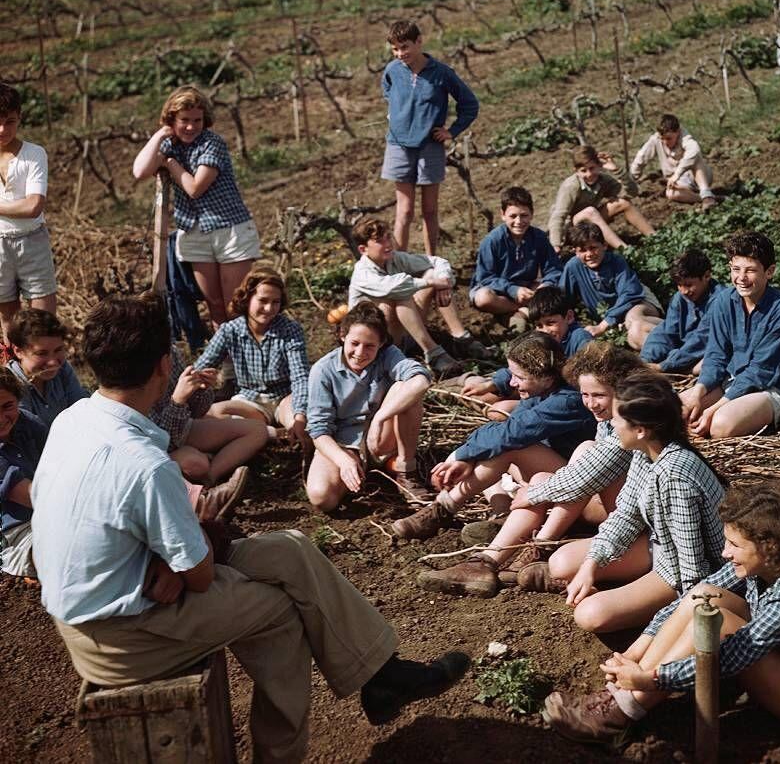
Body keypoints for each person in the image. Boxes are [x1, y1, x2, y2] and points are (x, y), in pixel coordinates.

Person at [30, 293, 469, 763]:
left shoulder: (72, 420)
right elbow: (198, 575)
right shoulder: (144, 464)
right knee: (281, 613)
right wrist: (180, 553)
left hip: (98, 599)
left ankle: (384, 674)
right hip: (120, 635)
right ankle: (282, 754)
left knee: (290, 548)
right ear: (164, 366)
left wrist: (166, 552)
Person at [543, 484, 780, 744]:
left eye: (734, 545)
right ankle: (623, 698)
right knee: (704, 597)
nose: (725, 552)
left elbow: (731, 656)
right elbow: (695, 594)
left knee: (719, 623)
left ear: (768, 547)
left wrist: (655, 678)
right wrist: (637, 650)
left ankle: (620, 714)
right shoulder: (769, 564)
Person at [418, 343, 642, 597]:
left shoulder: (631, 424)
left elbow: (587, 475)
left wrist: (535, 494)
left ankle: (539, 545)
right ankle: (486, 561)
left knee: (580, 453)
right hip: (602, 500)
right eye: (585, 395)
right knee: (542, 477)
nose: (590, 404)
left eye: (598, 395)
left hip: (626, 517)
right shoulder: (607, 419)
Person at [545, 372, 725, 635]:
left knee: (590, 615)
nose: (613, 425)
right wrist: (590, 566)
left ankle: (642, 602)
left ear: (640, 430)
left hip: (682, 570)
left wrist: (665, 625)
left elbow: (693, 569)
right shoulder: (646, 453)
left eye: (618, 419)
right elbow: (625, 515)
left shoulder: (675, 478)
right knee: (561, 565)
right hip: (660, 547)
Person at [391, 332, 596, 542]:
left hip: (580, 491)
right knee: (492, 449)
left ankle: (443, 510)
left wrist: (459, 455)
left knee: (509, 447)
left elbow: (512, 433)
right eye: (512, 375)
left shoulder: (567, 400)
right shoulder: (542, 390)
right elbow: (504, 431)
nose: (513, 383)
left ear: (547, 377)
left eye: (520, 377)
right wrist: (468, 457)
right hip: (552, 471)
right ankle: (502, 516)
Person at [132, 85, 260, 327]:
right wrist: (160, 135)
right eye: (184, 120)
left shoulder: (212, 143)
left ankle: (250, 359)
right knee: (215, 306)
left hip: (229, 229)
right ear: (172, 120)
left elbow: (195, 188)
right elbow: (139, 171)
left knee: (236, 304)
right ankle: (227, 363)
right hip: (194, 231)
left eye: (197, 120)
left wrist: (170, 164)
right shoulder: (170, 144)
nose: (191, 127)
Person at [305, 301, 432, 509]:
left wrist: (381, 416)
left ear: (381, 343)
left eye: (370, 346)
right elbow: (319, 431)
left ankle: (405, 468)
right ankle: (367, 471)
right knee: (322, 498)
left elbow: (421, 380)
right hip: (344, 443)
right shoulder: (323, 370)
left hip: (381, 436)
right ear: (343, 335)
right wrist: (343, 460)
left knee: (405, 387)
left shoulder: (388, 355)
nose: (360, 352)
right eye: (355, 343)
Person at [679, 232, 780, 439]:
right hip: (730, 380)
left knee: (720, 426)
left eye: (750, 270)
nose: (741, 278)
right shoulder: (723, 301)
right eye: (736, 269)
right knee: (673, 409)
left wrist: (713, 408)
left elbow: (762, 371)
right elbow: (716, 356)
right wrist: (698, 394)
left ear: (769, 272)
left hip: (768, 388)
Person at [381, 19, 479, 256]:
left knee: (430, 210)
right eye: (395, 49)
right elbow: (387, 92)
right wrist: (398, 116)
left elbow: (469, 104)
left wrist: (451, 131)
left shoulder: (441, 73)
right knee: (404, 211)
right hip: (398, 145)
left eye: (404, 47)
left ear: (419, 42)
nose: (400, 53)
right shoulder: (392, 70)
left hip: (429, 146)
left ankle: (431, 260)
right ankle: (400, 261)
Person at [348, 216, 486, 377]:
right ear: (363, 249)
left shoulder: (395, 258)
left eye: (388, 237)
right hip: (375, 344)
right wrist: (432, 283)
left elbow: (436, 262)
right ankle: (433, 354)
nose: (387, 244)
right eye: (379, 241)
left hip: (405, 333)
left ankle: (461, 337)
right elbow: (395, 286)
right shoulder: (362, 273)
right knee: (400, 295)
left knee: (433, 273)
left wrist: (443, 283)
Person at [195, 267, 311, 450]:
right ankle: (271, 433)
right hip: (251, 400)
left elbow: (300, 376)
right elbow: (201, 367)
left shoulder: (289, 330)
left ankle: (283, 433)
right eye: (263, 301)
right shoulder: (230, 331)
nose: (269, 308)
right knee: (215, 413)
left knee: (300, 422)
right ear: (247, 298)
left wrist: (300, 415)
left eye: (276, 302)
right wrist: (201, 380)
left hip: (284, 397)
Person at [150, 341, 267, 520]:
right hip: (159, 445)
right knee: (197, 463)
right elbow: (162, 440)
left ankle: (210, 480)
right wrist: (178, 400)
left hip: (183, 427)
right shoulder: (135, 370)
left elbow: (197, 411)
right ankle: (203, 495)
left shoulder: (170, 351)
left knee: (258, 430)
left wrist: (201, 389)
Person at [459, 286, 593, 419]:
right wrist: (490, 384)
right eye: (539, 325)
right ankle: (469, 382)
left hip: (560, 397)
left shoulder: (580, 338)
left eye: (551, 323)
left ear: (569, 317)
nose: (545, 330)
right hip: (534, 389)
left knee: (496, 412)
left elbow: (583, 380)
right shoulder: (541, 340)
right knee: (478, 397)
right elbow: (520, 367)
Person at [0, 82, 58, 338]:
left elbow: (34, 205)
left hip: (31, 241)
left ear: (20, 117)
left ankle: (48, 376)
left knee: (44, 321)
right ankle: (13, 375)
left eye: (10, 121)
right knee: (7, 322)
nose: (3, 129)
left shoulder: (34, 154)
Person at [559, 222, 662, 351]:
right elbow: (563, 299)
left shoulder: (616, 261)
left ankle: (670, 339)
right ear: (575, 252)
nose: (589, 254)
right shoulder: (573, 267)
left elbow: (630, 294)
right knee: (630, 334)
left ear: (604, 245)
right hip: (611, 318)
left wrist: (603, 325)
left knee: (633, 321)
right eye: (583, 250)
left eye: (593, 247)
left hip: (638, 301)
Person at [469, 186, 561, 323]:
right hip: (496, 290)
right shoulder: (492, 241)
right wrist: (512, 289)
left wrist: (546, 285)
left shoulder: (539, 237)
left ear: (532, 214)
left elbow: (554, 269)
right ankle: (524, 309)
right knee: (483, 298)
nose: (518, 222)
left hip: (526, 287)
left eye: (524, 215)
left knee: (552, 289)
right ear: (503, 214)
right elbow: (485, 277)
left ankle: (513, 313)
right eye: (513, 216)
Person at [548, 144, 654, 251]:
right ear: (576, 171)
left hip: (589, 222)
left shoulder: (603, 180)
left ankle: (655, 237)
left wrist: (617, 170)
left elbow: (631, 193)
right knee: (590, 211)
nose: (589, 174)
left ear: (599, 165)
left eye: (592, 168)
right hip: (570, 230)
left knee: (623, 202)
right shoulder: (571, 186)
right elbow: (558, 216)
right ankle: (626, 250)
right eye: (583, 171)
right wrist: (556, 245)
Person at [4, 309, 87, 431]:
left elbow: (81, 410)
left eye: (58, 350)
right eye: (41, 353)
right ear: (18, 351)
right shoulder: (9, 385)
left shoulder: (62, 368)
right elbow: (27, 435)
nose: (53, 362)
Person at [640, 250, 721, 374]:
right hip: (684, 350)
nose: (683, 291)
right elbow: (667, 332)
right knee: (654, 332)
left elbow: (702, 340)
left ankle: (678, 366)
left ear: (707, 276)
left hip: (706, 350)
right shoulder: (680, 298)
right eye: (679, 285)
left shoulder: (720, 300)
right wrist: (644, 361)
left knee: (705, 364)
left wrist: (664, 366)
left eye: (688, 285)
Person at [0, 364, 47, 578]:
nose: (1, 418)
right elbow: (34, 498)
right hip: (17, 535)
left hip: (50, 514)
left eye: (7, 406)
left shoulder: (29, 423)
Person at [629, 114, 716, 212]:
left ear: (677, 132)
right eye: (662, 139)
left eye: (669, 138)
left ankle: (706, 194)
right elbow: (642, 157)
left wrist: (677, 174)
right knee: (671, 194)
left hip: (698, 176)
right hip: (679, 183)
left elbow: (694, 150)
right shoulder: (656, 139)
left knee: (695, 157)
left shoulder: (685, 137)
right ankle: (708, 198)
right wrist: (630, 179)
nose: (665, 142)